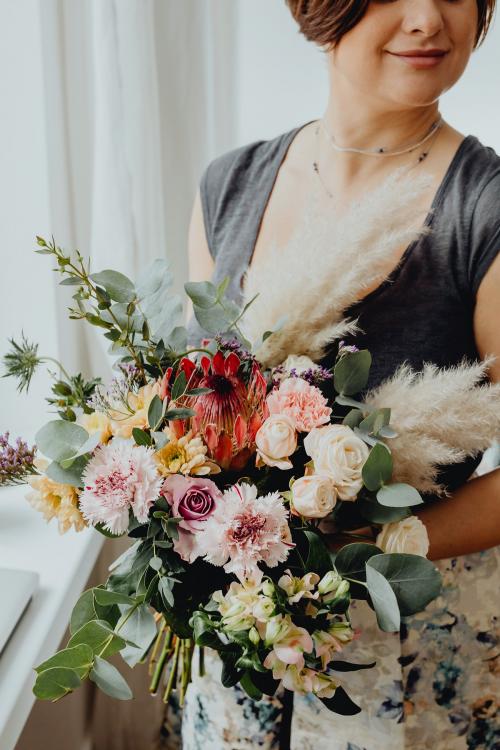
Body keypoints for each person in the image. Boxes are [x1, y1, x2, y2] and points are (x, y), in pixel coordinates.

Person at [182, 1, 500, 748]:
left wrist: (356, 550)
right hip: (238, 660)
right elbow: (190, 414)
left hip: (408, 667)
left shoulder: (483, 209)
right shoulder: (228, 185)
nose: (428, 19)